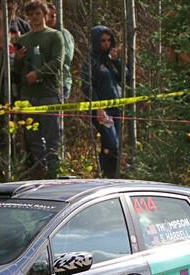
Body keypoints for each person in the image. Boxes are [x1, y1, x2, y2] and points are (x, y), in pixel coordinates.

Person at [13, 0, 64, 178]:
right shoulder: (23, 39)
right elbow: (17, 73)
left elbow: (58, 62)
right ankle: (40, 171)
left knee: (52, 137)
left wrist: (38, 74)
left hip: (49, 94)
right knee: (33, 137)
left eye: (38, 14)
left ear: (45, 15)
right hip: (28, 95)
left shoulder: (55, 36)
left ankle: (54, 174)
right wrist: (18, 59)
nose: (35, 18)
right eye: (31, 15)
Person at [82, 25, 126, 178]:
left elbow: (125, 78)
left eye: (109, 40)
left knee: (113, 146)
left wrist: (117, 61)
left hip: (117, 108)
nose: (106, 43)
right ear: (96, 41)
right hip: (102, 110)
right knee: (112, 144)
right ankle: (108, 176)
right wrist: (98, 108)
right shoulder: (91, 62)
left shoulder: (112, 60)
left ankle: (109, 177)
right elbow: (87, 86)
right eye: (102, 40)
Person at [0, 0, 31, 69]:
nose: (8, 5)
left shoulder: (24, 25)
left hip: (19, 70)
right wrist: (3, 22)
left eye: (11, 2)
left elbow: (32, 48)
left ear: (16, 5)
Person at [46, 4, 74, 101]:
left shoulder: (64, 34)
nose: (49, 19)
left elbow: (66, 58)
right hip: (43, 86)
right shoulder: (41, 34)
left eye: (53, 16)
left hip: (61, 82)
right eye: (47, 15)